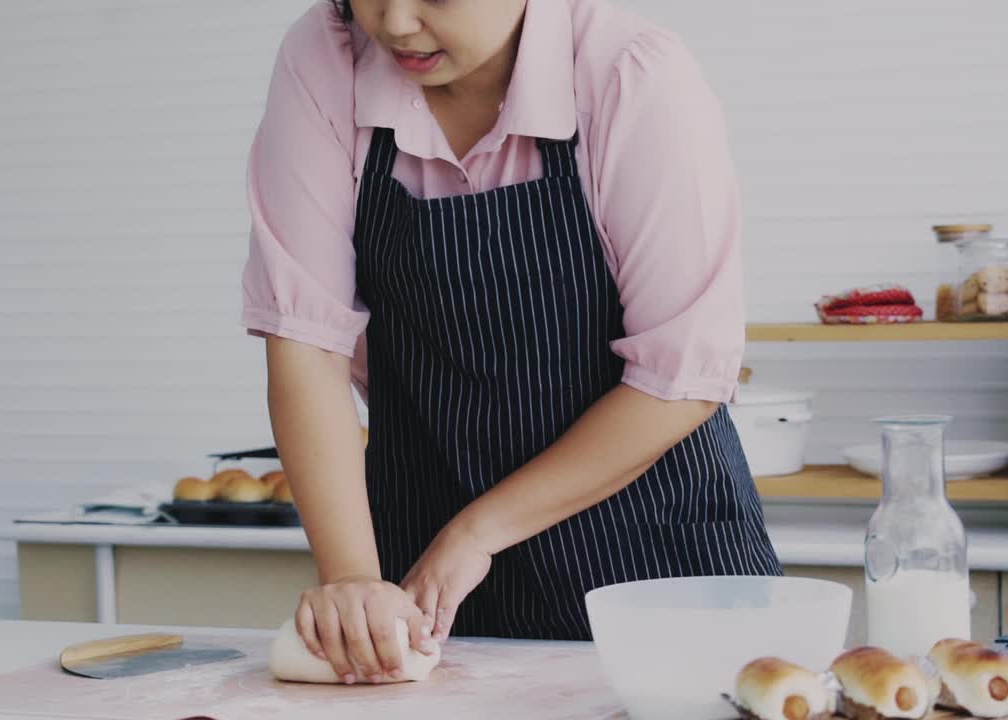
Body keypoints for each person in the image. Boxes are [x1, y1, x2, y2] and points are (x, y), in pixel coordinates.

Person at [239, 0, 782, 686]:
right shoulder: (327, 56)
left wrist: (476, 533)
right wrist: (352, 578)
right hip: (433, 582)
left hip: (658, 570)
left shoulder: (629, 73)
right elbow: (304, 343)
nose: (396, 23)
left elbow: (681, 381)